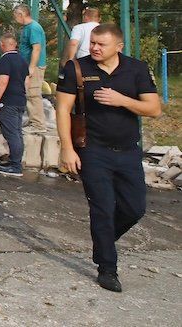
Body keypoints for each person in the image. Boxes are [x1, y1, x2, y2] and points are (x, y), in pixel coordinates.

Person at [56, 23, 161, 292]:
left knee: (135, 209)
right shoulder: (77, 68)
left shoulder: (136, 69)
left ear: (119, 47)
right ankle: (107, 268)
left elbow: (153, 109)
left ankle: (102, 242)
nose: (94, 48)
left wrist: (122, 100)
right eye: (92, 43)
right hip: (92, 150)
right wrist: (67, 148)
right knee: (102, 208)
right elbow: (63, 110)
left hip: (128, 151)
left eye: (101, 44)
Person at [0, 33, 29, 176]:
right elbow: (26, 81)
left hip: (8, 102)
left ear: (3, 45)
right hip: (19, 101)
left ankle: (15, 166)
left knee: (11, 133)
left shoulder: (5, 61)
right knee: (17, 132)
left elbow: (3, 80)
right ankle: (14, 160)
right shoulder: (22, 61)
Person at [14, 4, 47, 131]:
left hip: (34, 66)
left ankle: (38, 124)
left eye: (15, 15)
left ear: (21, 14)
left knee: (33, 93)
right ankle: (33, 119)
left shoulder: (33, 28)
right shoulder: (27, 28)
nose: (15, 18)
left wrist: (32, 67)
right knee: (28, 93)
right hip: (27, 65)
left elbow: (37, 48)